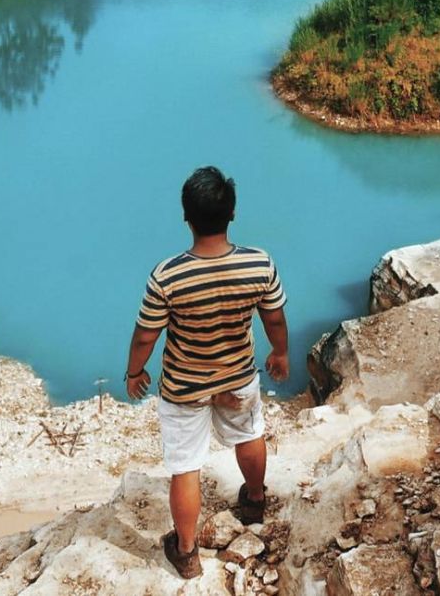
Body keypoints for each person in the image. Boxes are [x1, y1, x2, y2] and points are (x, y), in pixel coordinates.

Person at [125, 166, 289, 581]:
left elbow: (146, 335)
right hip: (237, 376)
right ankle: (254, 501)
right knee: (249, 434)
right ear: (231, 214)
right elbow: (274, 318)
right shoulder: (258, 264)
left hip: (184, 386)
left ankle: (186, 552)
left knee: (186, 466)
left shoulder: (168, 275)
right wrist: (281, 354)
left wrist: (134, 372)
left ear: (186, 217)